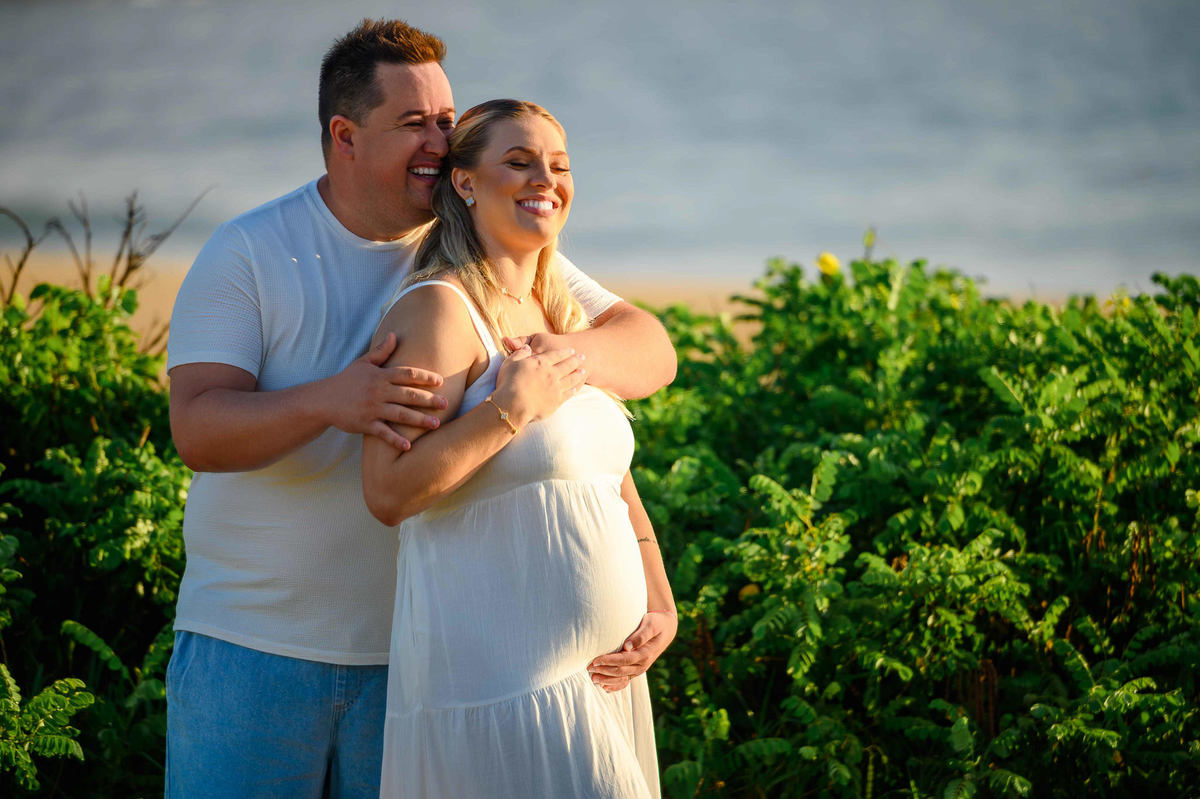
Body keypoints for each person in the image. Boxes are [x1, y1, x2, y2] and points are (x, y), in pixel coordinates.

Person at [164, 19, 676, 799]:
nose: (441, 141)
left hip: (417, 656)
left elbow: (644, 348)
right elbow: (198, 428)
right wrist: (331, 400)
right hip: (257, 648)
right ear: (345, 136)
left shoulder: (481, 244)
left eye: (445, 118)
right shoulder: (252, 251)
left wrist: (553, 363)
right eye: (414, 123)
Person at [361, 98, 672, 799]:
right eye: (520, 161)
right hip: (504, 690)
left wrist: (659, 599)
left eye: (560, 166)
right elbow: (387, 491)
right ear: (465, 182)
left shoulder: (559, 309)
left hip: (603, 678)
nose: (546, 181)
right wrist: (509, 410)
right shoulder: (439, 309)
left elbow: (604, 474)